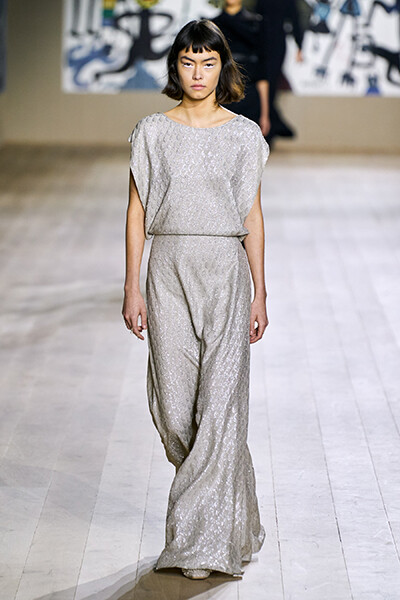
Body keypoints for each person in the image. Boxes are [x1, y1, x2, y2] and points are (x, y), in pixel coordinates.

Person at [122, 19, 269, 580]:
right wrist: (131, 284)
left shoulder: (243, 135)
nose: (198, 73)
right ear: (175, 68)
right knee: (176, 407)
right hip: (168, 269)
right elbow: (136, 211)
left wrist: (260, 289)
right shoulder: (151, 132)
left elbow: (253, 213)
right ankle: (235, 513)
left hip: (225, 270)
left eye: (209, 63)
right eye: (188, 62)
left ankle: (200, 543)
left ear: (222, 68)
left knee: (221, 404)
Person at [212, 0, 270, 136]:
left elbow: (262, 73)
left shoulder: (256, 24)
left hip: (249, 95)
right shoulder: (213, 26)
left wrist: (265, 114)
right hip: (222, 93)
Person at [256, 0, 304, 144]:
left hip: (276, 43)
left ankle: (269, 130)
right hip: (261, 42)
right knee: (262, 85)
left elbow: (295, 19)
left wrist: (299, 45)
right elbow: (255, 17)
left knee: (270, 86)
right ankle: (272, 126)